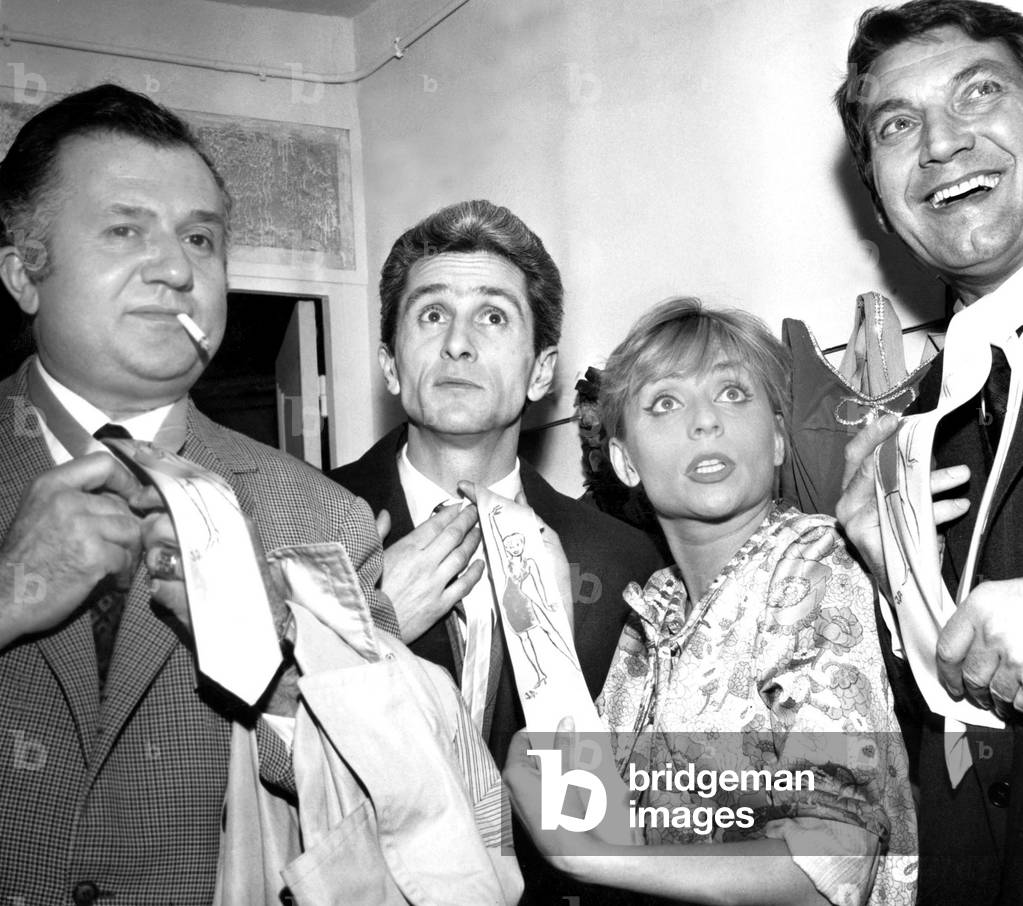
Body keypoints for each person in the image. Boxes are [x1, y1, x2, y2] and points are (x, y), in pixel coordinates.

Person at [0, 83, 401, 905]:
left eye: (200, 238)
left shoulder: (323, 517)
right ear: (23, 273)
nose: (178, 269)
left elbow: (392, 803)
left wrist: (272, 663)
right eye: (125, 229)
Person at [505, 299, 917, 906]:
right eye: (665, 403)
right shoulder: (655, 610)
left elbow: (832, 861)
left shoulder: (816, 565)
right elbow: (618, 822)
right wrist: (545, 759)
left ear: (778, 441)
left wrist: (601, 858)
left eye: (732, 393)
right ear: (625, 461)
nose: (705, 421)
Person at [329, 199, 664, 763]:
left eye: (493, 316)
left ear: (540, 371)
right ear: (390, 366)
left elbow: (635, 786)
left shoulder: (626, 564)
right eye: (432, 314)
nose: (457, 343)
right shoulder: (292, 525)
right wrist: (372, 627)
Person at [833, 3, 1023, 902]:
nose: (942, 143)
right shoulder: (910, 424)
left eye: (978, 93)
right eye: (897, 126)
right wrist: (890, 575)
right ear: (878, 199)